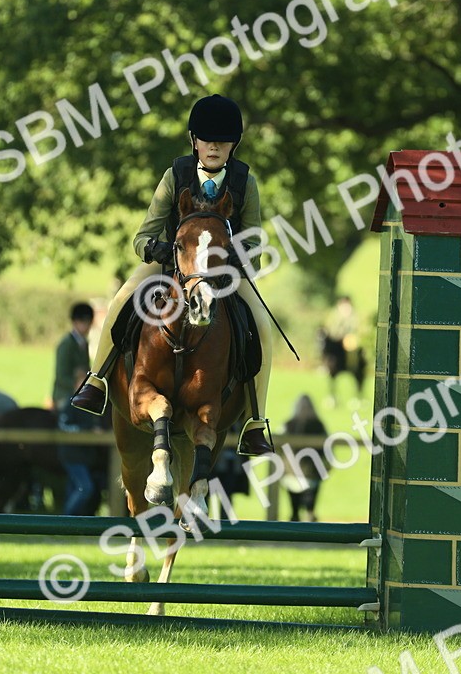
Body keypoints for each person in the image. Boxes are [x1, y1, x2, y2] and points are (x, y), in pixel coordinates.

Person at [70, 94, 275, 456]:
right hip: (170, 262)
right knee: (121, 300)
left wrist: (232, 263)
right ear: (194, 141)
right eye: (207, 140)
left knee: (261, 323)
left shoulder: (246, 182)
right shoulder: (174, 175)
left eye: (222, 141)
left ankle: (256, 421)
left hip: (223, 271)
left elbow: (254, 240)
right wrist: (160, 250)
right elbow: (142, 235)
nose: (214, 147)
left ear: (233, 145)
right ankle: (97, 380)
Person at [55, 302, 108, 515]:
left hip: (79, 387)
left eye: (88, 322)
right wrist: (78, 386)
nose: (86, 327)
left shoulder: (83, 343)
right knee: (68, 410)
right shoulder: (65, 344)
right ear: (76, 322)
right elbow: (61, 376)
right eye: (83, 322)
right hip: (63, 393)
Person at [282, 395, 327, 522]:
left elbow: (326, 449)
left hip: (312, 473)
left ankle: (310, 522)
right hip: (291, 473)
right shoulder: (288, 425)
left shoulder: (318, 426)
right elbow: (280, 447)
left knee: (310, 508)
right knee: (294, 510)